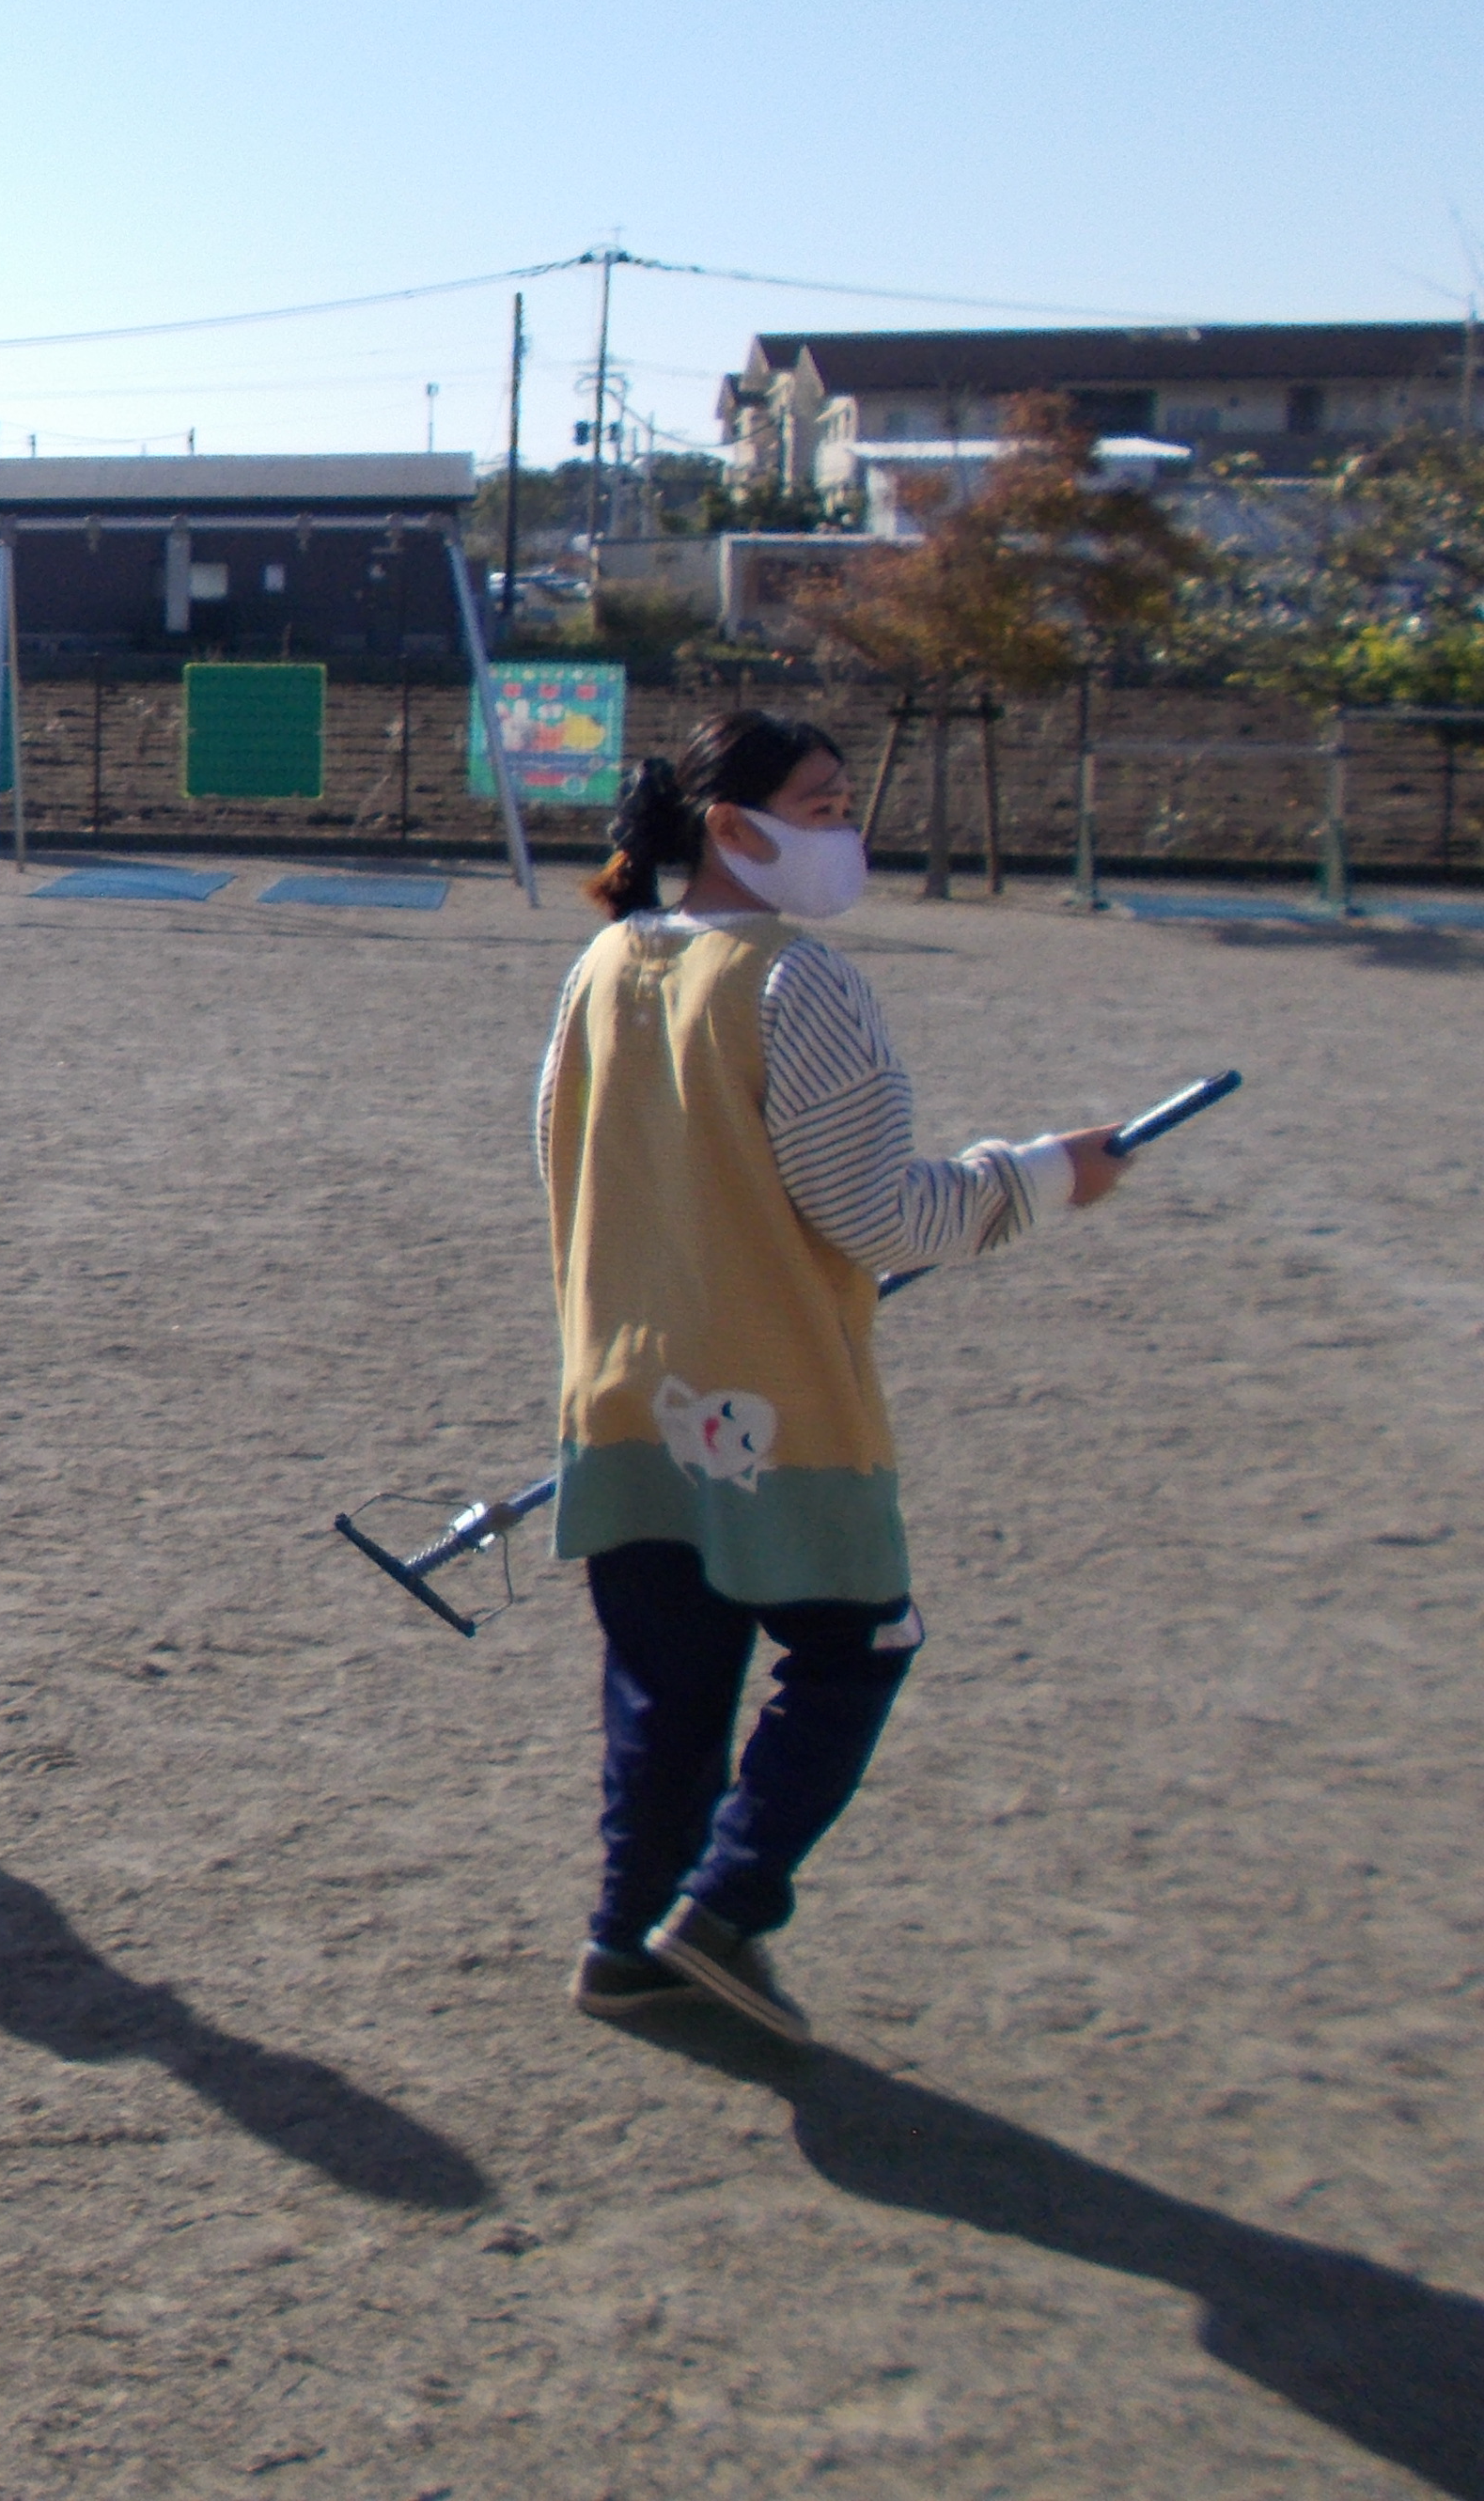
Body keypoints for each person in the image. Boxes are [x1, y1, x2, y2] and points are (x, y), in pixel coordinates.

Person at [539, 710, 1124, 2043]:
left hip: (623, 1394)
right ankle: (725, 1907)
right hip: (775, 1408)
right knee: (859, 1645)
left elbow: (560, 1162)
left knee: (666, 1689)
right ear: (730, 828)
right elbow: (881, 1215)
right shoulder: (798, 981)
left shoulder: (604, 964)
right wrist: (1049, 1177)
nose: (846, 832)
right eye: (822, 806)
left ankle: (626, 1943)